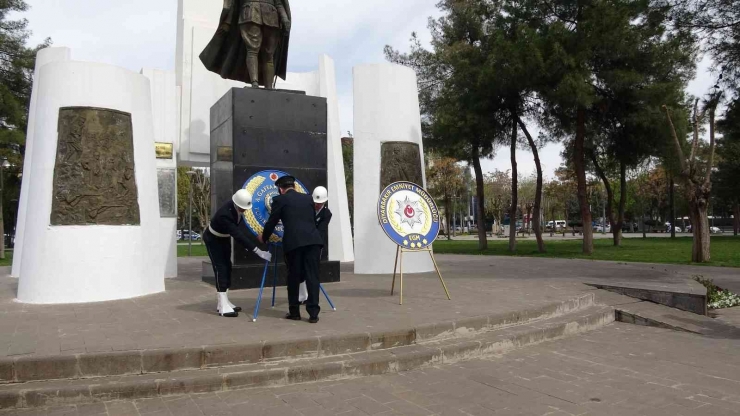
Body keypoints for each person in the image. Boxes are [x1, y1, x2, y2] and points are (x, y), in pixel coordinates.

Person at [259, 176, 323, 323]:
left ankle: (294, 312)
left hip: (294, 244)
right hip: (313, 242)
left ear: (281, 189)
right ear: (293, 186)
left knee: (294, 278)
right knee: (312, 277)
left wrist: (264, 236)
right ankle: (313, 314)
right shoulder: (308, 199)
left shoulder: (280, 200)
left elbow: (272, 221)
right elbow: (312, 221)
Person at [205, 189, 272, 317]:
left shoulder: (238, 208)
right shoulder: (225, 214)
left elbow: (243, 227)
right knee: (221, 268)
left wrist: (258, 234)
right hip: (213, 239)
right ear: (236, 204)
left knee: (228, 267)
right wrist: (258, 251)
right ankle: (222, 306)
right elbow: (238, 236)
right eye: (242, 208)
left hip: (223, 238)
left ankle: (223, 302)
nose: (244, 210)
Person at [298, 186, 332, 303]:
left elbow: (321, 231)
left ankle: (311, 299)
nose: (317, 205)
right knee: (300, 271)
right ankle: (302, 296)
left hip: (315, 245)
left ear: (325, 201)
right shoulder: (307, 208)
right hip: (302, 243)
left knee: (312, 274)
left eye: (320, 203)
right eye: (315, 202)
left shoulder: (326, 214)